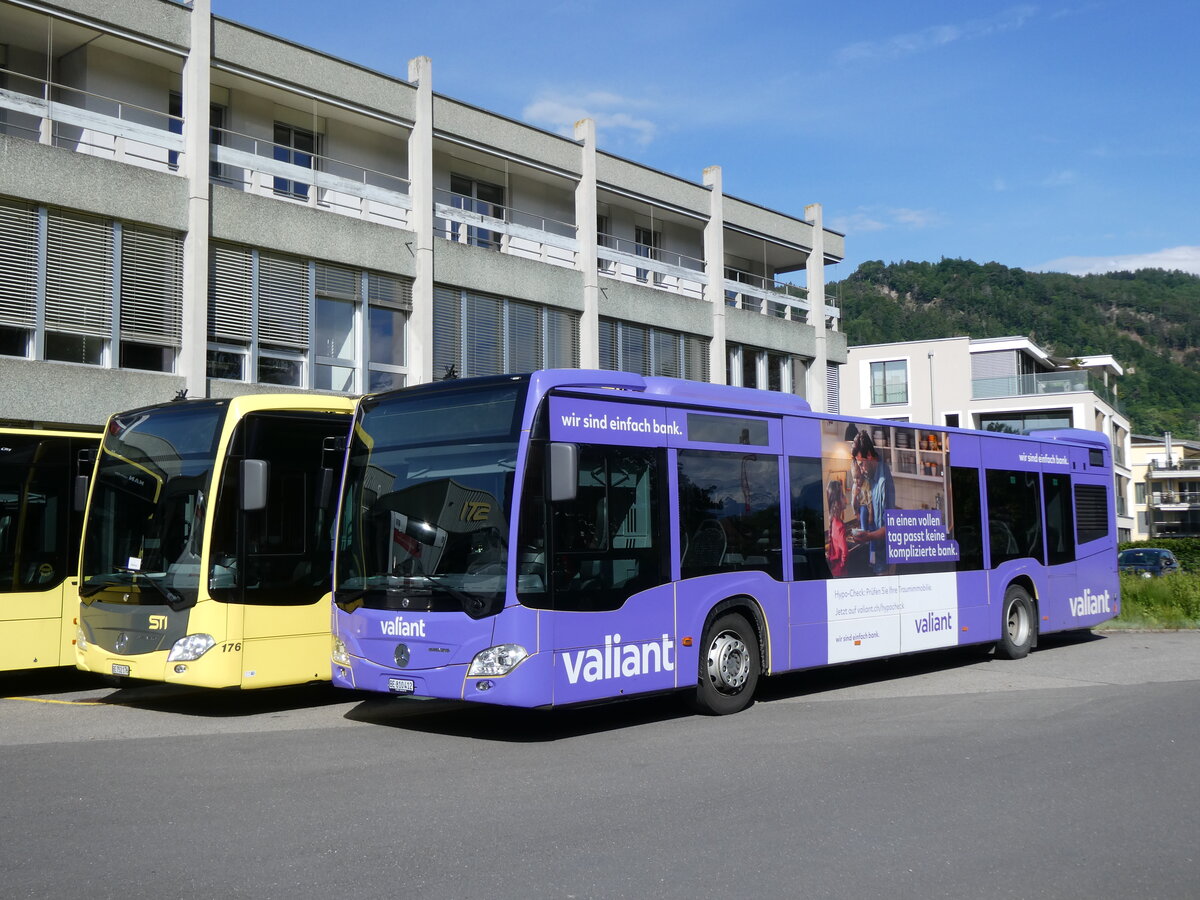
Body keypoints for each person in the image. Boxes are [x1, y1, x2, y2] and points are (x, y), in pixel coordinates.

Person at [850, 429, 895, 574]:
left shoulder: (884, 481)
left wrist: (868, 536)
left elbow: (890, 527)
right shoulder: (868, 475)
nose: (861, 469)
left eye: (862, 464)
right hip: (875, 558)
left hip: (885, 560)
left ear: (869, 456)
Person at [825, 480, 849, 577]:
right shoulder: (840, 526)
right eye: (842, 496)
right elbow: (845, 553)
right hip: (841, 573)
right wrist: (843, 566)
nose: (845, 498)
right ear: (837, 503)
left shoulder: (833, 521)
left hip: (835, 571)